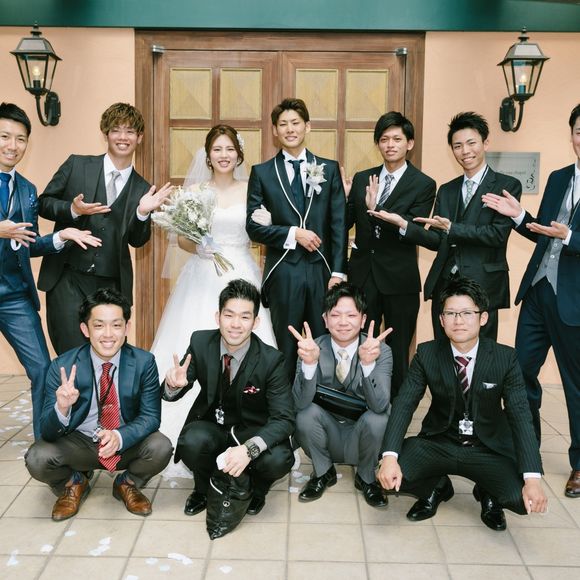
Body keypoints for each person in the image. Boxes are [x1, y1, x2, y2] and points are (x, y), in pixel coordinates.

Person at [152, 124, 276, 478]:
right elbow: (183, 239)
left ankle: (247, 424)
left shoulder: (252, 189)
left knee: (248, 338)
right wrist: (199, 246)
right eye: (217, 149)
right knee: (195, 340)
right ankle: (187, 426)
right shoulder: (195, 191)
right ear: (207, 155)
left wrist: (267, 222)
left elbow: (261, 233)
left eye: (230, 149)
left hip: (242, 271)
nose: (224, 155)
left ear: (239, 154)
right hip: (203, 273)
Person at [378, 278, 547, 531]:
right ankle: (437, 487)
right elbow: (404, 404)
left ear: (483, 318)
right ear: (441, 319)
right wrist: (389, 456)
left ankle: (488, 492)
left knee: (523, 500)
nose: (458, 321)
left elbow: (521, 415)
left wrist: (532, 478)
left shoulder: (505, 358)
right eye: (451, 313)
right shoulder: (426, 354)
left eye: (467, 313)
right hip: (440, 442)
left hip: (487, 447)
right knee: (386, 474)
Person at [481, 103, 580, 498]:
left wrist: (568, 236)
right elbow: (543, 232)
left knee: (576, 386)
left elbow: (561, 235)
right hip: (538, 293)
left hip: (574, 301)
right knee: (520, 373)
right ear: (571, 134)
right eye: (579, 131)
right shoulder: (558, 178)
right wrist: (520, 216)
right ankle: (527, 450)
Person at [369, 112, 522, 340]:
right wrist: (403, 224)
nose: (465, 151)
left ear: (485, 143)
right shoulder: (447, 190)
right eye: (457, 146)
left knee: (483, 352)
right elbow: (436, 240)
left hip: (483, 285)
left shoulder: (506, 185)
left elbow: (497, 234)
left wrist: (452, 228)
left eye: (471, 143)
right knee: (441, 352)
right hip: (444, 285)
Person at [24, 288, 172, 521]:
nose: (108, 334)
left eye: (116, 325)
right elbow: (47, 431)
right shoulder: (63, 366)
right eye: (99, 325)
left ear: (127, 327)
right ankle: (73, 483)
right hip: (79, 442)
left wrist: (120, 436)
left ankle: (127, 483)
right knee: (37, 458)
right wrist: (62, 408)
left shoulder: (144, 362)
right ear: (85, 329)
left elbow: (151, 417)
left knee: (161, 447)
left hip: (123, 442)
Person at [37, 102, 172, 354]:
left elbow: (137, 240)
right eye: (116, 130)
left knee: (105, 354)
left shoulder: (144, 188)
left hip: (110, 283)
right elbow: (43, 203)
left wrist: (142, 213)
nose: (123, 137)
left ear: (140, 137)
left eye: (130, 131)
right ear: (106, 134)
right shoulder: (77, 165)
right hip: (67, 276)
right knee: (71, 351)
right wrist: (73, 210)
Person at [0, 102, 101, 439]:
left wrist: (60, 237)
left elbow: (26, 243)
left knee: (43, 370)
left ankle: (45, 444)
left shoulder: (28, 190)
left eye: (20, 139)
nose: (12, 145)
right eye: (4, 136)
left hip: (15, 296)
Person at [163, 279, 294, 517]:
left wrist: (249, 449)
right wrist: (172, 385)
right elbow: (177, 385)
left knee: (279, 458)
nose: (235, 324)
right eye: (229, 315)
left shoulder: (271, 360)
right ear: (218, 317)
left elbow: (284, 419)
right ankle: (203, 489)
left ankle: (256, 490)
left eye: (244, 317)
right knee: (191, 441)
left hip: (251, 430)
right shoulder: (200, 342)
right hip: (213, 427)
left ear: (255, 322)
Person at [246, 98, 347, 380]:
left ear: (307, 126)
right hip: (283, 271)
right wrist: (293, 233)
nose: (290, 129)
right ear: (274, 131)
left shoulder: (328, 168)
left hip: (322, 271)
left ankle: (322, 400)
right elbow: (253, 228)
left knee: (324, 343)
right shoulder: (262, 173)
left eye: (295, 123)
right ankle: (284, 403)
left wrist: (338, 272)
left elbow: (339, 224)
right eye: (283, 124)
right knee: (285, 346)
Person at [344, 112, 436, 398]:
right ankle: (359, 402)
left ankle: (396, 409)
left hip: (400, 279)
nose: (390, 145)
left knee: (398, 349)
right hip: (363, 275)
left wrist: (378, 211)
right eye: (384, 139)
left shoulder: (423, 184)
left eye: (397, 139)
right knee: (359, 343)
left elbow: (416, 230)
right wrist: (343, 199)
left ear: (410, 143)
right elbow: (345, 223)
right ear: (378, 144)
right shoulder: (363, 178)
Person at [291, 282, 392, 507]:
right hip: (326, 435)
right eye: (335, 315)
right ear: (325, 320)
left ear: (363, 320)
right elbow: (298, 403)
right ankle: (323, 472)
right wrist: (310, 364)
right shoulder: (310, 348)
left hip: (363, 437)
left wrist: (368, 365)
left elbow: (380, 405)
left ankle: (366, 477)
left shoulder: (381, 350)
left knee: (379, 417)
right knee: (305, 414)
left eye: (351, 315)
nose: (343, 322)